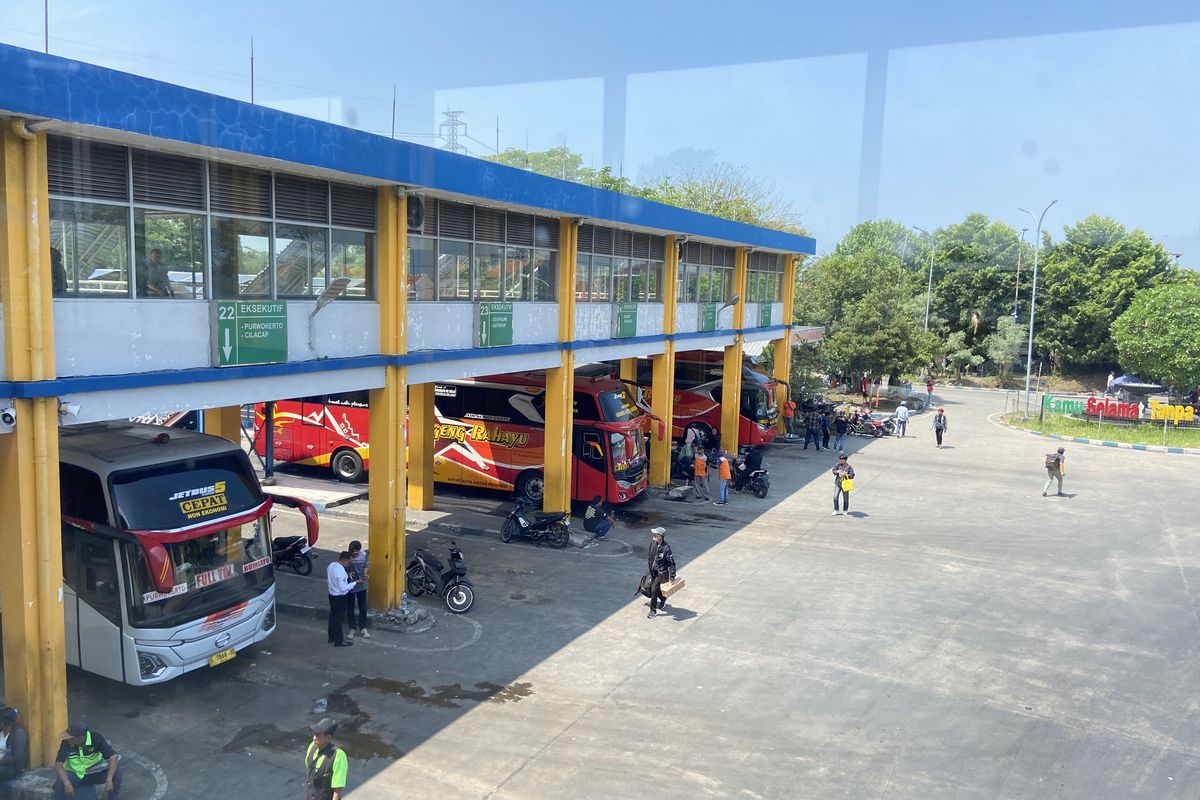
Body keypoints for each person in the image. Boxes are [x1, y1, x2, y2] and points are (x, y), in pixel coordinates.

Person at [52, 721, 121, 800]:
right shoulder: (66, 742)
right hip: (75, 774)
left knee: (117, 772)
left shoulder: (96, 738)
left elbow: (113, 756)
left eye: (71, 737)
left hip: (92, 773)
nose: (67, 739)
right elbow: (58, 764)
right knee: (59, 786)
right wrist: (66, 782)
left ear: (81, 737)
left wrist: (109, 779)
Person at [305, 718, 349, 800]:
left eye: (318, 735)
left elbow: (338, 789)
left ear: (328, 738)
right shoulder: (312, 747)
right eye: (314, 734)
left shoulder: (338, 756)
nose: (314, 738)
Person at [327, 551, 362, 647]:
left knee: (332, 616)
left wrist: (347, 574)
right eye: (349, 562)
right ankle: (339, 640)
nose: (349, 564)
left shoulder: (331, 566)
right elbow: (343, 588)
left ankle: (331, 636)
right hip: (340, 597)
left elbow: (337, 579)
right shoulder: (340, 572)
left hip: (332, 595)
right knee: (338, 619)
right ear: (345, 560)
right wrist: (355, 583)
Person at [646, 527, 677, 619]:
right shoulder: (652, 543)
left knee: (654, 591)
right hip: (653, 571)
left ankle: (653, 611)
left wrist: (672, 575)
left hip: (661, 573)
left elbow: (671, 563)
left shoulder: (666, 548)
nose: (653, 535)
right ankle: (663, 599)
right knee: (653, 588)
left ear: (660, 536)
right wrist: (649, 567)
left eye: (655, 534)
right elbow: (649, 556)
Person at [345, 540, 369, 641]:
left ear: (358, 551)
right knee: (350, 608)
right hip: (350, 585)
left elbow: (366, 565)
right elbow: (342, 567)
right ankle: (352, 628)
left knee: (362, 607)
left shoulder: (364, 555)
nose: (352, 553)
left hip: (361, 584)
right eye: (351, 551)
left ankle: (363, 627)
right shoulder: (346, 556)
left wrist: (365, 573)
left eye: (354, 552)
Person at [0, 706, 29, 789]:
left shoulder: (18, 733)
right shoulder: (1, 732)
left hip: (13, 767)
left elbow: (17, 758)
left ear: (3, 723)